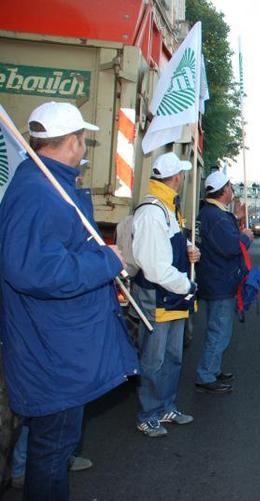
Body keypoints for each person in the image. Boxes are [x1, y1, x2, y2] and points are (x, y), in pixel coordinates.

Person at [0, 101, 138, 500]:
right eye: (83, 140)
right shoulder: (38, 192)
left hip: (55, 348)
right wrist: (103, 263)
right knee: (51, 455)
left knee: (53, 450)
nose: (84, 148)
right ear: (73, 142)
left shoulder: (46, 183)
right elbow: (33, 270)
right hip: (52, 355)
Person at [131, 151, 200, 437]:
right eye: (182, 174)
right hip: (160, 299)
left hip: (174, 298)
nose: (184, 178)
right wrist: (188, 286)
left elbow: (172, 248)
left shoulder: (169, 208)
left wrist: (190, 251)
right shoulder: (152, 211)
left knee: (173, 358)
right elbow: (155, 267)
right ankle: (147, 414)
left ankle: (166, 406)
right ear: (176, 178)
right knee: (153, 361)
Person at [194, 171, 253, 394]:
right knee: (219, 330)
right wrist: (246, 236)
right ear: (225, 190)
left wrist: (236, 219)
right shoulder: (217, 217)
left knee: (217, 328)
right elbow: (231, 247)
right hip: (220, 281)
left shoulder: (208, 214)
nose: (232, 190)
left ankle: (213, 368)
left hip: (212, 278)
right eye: (230, 186)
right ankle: (206, 374)